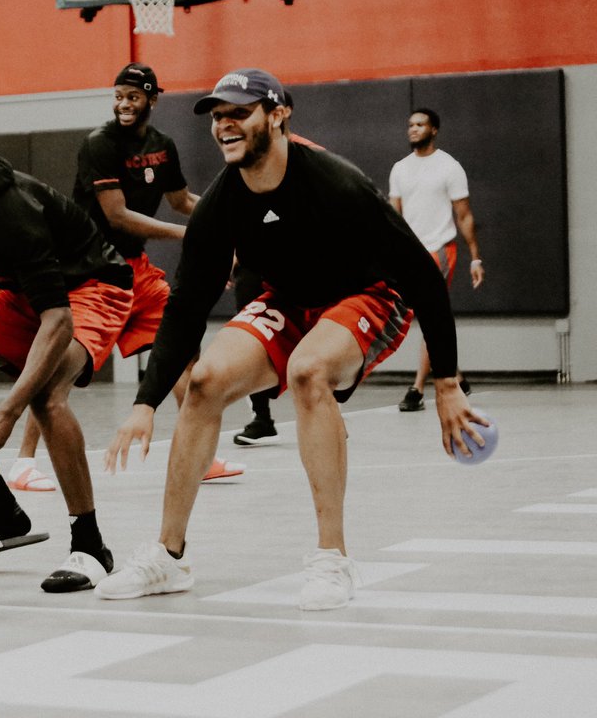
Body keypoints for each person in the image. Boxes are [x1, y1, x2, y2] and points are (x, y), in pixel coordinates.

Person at [99, 69, 484, 609]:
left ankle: (333, 559)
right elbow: (187, 307)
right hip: (289, 301)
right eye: (217, 116)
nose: (225, 125)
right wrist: (146, 403)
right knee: (206, 381)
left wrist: (447, 382)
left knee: (309, 371)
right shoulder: (222, 203)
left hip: (370, 294)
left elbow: (421, 276)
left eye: (239, 113)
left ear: (278, 115)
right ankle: (169, 556)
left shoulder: (335, 182)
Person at [0, 96, 134, 593]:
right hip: (23, 287)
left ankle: (91, 545)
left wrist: (6, 414)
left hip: (92, 286)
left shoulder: (11, 204)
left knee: (46, 395)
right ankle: (3, 514)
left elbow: (57, 317)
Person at [8, 63, 243, 491]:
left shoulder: (163, 146)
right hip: (92, 270)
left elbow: (181, 199)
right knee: (58, 366)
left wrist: (226, 217)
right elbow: (117, 216)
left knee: (184, 352)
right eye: (118, 96)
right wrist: (196, 237)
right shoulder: (99, 144)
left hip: (136, 270)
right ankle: (23, 463)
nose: (123, 105)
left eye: (133, 97)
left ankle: (200, 455)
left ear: (152, 99)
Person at [232, 92, 326, 446]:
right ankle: (261, 417)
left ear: (279, 114)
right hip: (256, 264)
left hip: (303, 266)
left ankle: (325, 409)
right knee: (252, 334)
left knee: (315, 341)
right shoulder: (242, 160)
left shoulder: (311, 159)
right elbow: (236, 216)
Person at [389, 108, 483, 412]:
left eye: (420, 125)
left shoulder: (449, 167)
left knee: (430, 316)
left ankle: (416, 389)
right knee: (428, 318)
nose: (413, 129)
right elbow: (394, 216)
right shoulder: (400, 169)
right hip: (410, 253)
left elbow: (464, 215)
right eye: (410, 125)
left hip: (440, 250)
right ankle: (456, 375)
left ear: (434, 130)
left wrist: (475, 259)